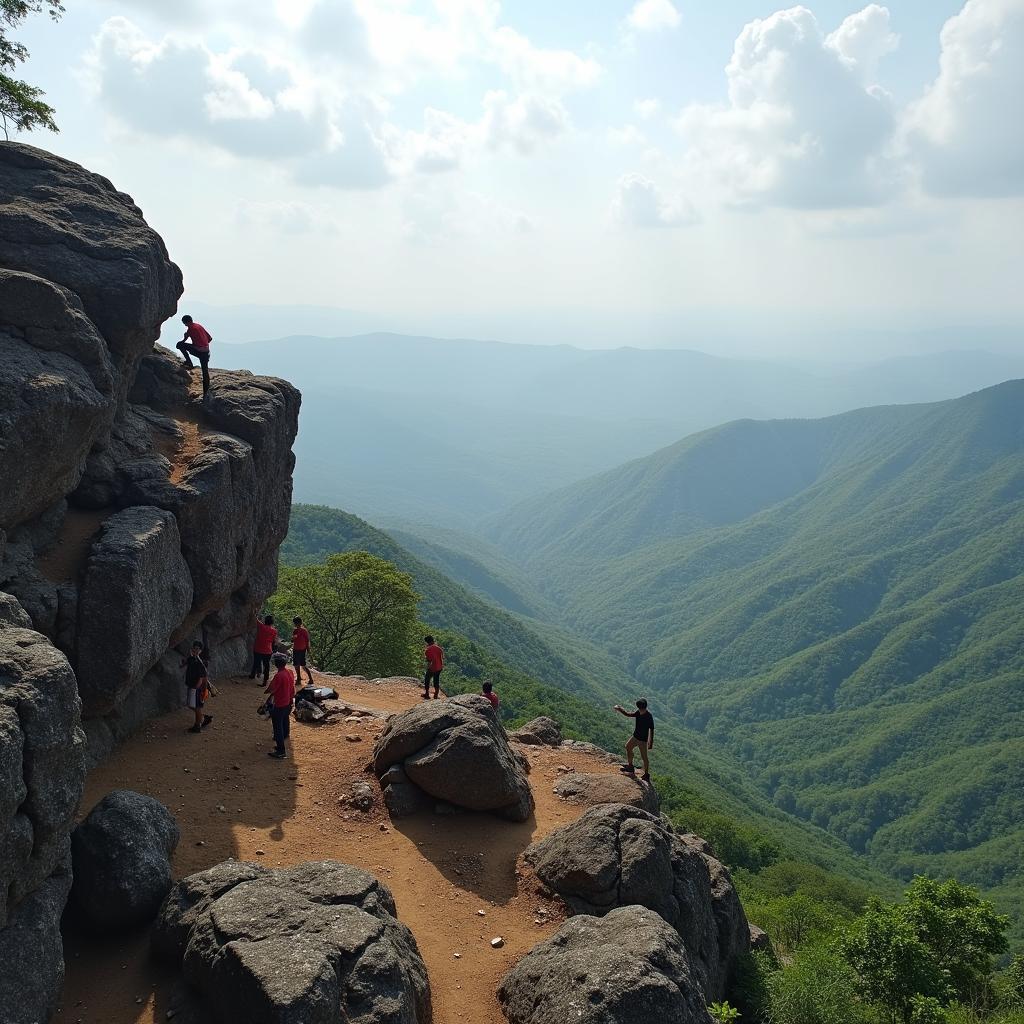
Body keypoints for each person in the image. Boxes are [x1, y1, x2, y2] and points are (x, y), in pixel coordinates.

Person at [614, 698, 654, 781]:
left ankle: (646, 774)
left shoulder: (649, 716)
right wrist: (620, 709)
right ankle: (630, 766)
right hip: (635, 737)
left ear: (640, 707)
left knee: (644, 757)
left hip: (643, 740)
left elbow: (652, 729)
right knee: (628, 747)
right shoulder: (638, 712)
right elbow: (629, 714)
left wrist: (650, 742)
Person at [265, 653, 297, 759]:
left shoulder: (279, 675)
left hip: (280, 703)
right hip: (289, 701)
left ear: (276, 664)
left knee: (277, 726)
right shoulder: (290, 672)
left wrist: (267, 693)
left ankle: (281, 750)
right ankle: (285, 734)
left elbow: (272, 688)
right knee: (285, 718)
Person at [176, 314, 213, 395]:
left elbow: (183, 341)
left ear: (185, 322)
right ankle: (206, 392)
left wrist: (185, 337)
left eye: (184, 323)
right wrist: (204, 345)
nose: (185, 325)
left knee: (179, 345)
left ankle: (189, 362)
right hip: (206, 352)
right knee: (205, 372)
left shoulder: (191, 329)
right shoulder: (199, 326)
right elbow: (210, 338)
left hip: (198, 351)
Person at [184, 640, 212, 734]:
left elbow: (202, 677)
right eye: (194, 648)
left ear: (200, 650)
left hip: (196, 688)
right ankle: (202, 719)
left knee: (196, 707)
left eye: (197, 649)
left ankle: (198, 725)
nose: (195, 650)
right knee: (192, 705)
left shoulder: (201, 662)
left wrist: (198, 688)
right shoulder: (193, 659)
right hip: (192, 686)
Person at [250, 614, 278, 684]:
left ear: (265, 621)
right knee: (266, 665)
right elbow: (275, 641)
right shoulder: (274, 631)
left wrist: (254, 611)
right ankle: (265, 680)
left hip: (258, 648)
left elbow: (255, 618)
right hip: (268, 650)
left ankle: (252, 675)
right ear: (272, 622)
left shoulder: (261, 626)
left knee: (256, 662)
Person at [291, 616, 314, 685]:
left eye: (296, 623)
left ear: (299, 623)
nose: (295, 624)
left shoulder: (304, 631)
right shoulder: (295, 631)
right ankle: (299, 678)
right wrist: (293, 638)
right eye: (295, 623)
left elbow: (307, 641)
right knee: (297, 665)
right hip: (297, 649)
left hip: (301, 650)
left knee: (302, 665)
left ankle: (310, 679)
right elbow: (292, 640)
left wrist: (308, 650)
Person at [423, 634, 444, 699]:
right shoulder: (439, 648)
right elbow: (442, 658)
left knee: (427, 679)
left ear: (427, 642)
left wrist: (428, 668)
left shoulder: (428, 650)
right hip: (439, 667)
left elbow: (429, 661)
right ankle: (436, 695)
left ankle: (427, 694)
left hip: (432, 667)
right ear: (433, 640)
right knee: (436, 680)